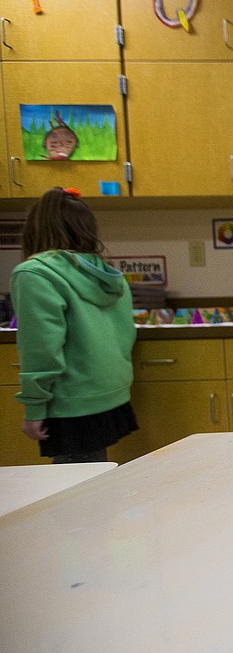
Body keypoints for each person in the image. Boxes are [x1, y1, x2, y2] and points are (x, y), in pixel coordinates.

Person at [12, 187, 138, 463]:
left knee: (74, 490)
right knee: (90, 478)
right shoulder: (106, 273)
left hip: (69, 402)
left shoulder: (35, 274)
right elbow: (126, 334)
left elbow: (41, 349)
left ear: (35, 227)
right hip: (107, 394)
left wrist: (34, 408)